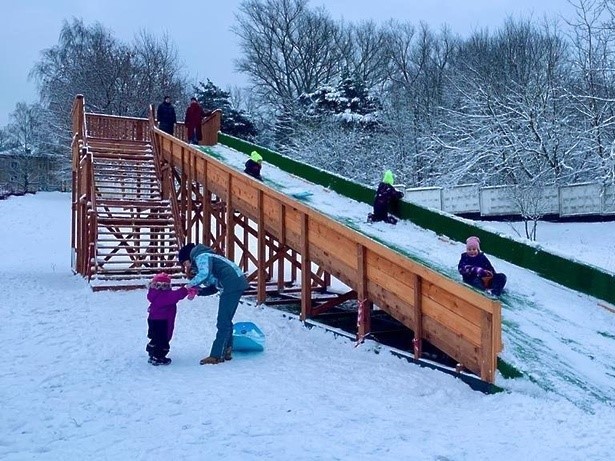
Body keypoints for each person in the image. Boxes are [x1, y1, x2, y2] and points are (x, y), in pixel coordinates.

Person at [178, 243, 249, 365]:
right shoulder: (210, 258)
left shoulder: (201, 256)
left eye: (185, 263)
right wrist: (199, 291)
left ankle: (216, 355)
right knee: (226, 319)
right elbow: (215, 286)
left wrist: (187, 286)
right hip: (235, 282)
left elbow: (203, 274)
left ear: (188, 257)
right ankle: (226, 349)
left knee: (223, 321)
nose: (187, 267)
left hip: (231, 284)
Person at [146, 272, 197, 366]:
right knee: (162, 339)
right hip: (162, 321)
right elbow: (176, 295)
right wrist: (186, 289)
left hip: (154, 319)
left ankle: (152, 353)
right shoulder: (164, 295)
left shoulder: (154, 294)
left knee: (155, 338)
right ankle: (158, 357)